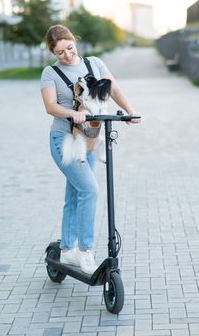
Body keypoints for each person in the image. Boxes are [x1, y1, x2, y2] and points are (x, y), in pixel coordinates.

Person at [40, 24, 141, 275]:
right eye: (60, 52)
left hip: (90, 140)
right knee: (90, 190)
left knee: (75, 195)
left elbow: (114, 87)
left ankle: (66, 250)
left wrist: (129, 111)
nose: (67, 55)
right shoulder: (50, 73)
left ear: (75, 41)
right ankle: (85, 251)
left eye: (70, 48)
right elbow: (51, 106)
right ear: (53, 52)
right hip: (64, 140)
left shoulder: (94, 63)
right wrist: (73, 113)